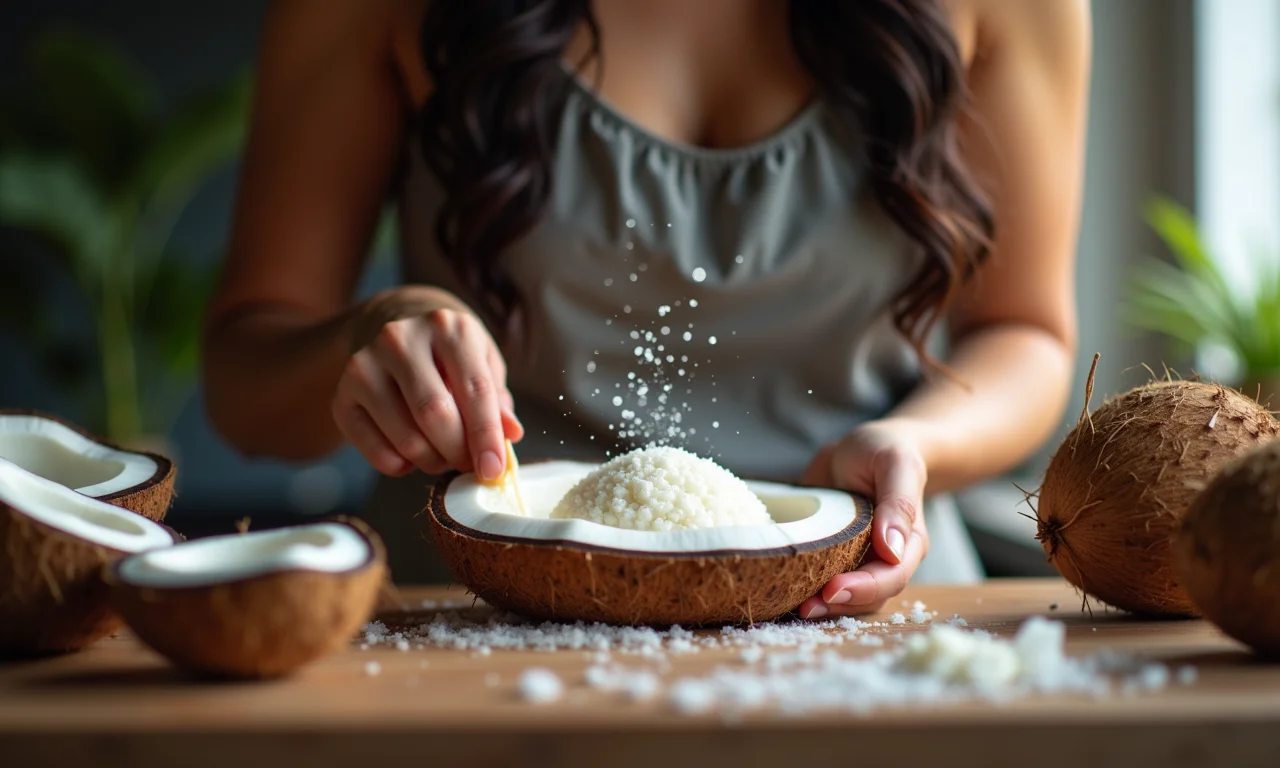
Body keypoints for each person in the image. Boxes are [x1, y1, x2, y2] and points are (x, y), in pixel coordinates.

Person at [202, 0, 1089, 618]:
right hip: (469, 638)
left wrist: (917, 445)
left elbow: (1026, 333)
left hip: (865, 615)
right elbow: (244, 379)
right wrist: (373, 334)